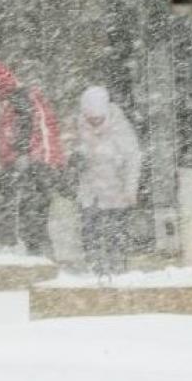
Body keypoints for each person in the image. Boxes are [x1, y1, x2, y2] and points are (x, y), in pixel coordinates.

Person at [0, 59, 66, 256]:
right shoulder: (17, 97)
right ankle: (39, 260)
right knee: (32, 219)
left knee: (32, 219)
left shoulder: (19, 98)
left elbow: (25, 128)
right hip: (39, 165)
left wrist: (21, 155)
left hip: (36, 165)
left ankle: (41, 263)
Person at [72, 86, 143, 276]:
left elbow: (133, 160)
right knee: (90, 234)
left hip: (116, 192)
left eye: (98, 119)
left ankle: (117, 270)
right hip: (90, 193)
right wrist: (76, 160)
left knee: (116, 235)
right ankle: (94, 270)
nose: (94, 122)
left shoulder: (121, 128)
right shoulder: (79, 126)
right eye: (91, 119)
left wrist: (130, 190)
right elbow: (73, 154)